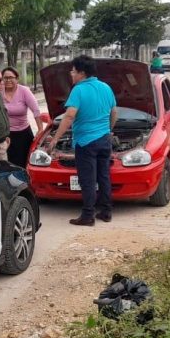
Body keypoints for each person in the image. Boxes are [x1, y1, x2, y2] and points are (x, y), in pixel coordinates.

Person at [47, 55, 117, 226]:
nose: (71, 74)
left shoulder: (78, 90)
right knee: (104, 176)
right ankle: (106, 212)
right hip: (104, 140)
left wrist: (55, 139)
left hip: (86, 142)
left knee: (87, 180)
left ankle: (87, 216)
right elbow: (114, 112)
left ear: (82, 73)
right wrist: (108, 130)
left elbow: (69, 116)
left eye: (73, 71)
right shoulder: (106, 87)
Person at [1, 66, 44, 168]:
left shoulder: (24, 91)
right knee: (7, 164)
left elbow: (36, 110)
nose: (8, 80)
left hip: (23, 134)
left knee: (24, 164)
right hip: (4, 135)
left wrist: (40, 129)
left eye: (11, 77)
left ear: (17, 79)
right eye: (5, 78)